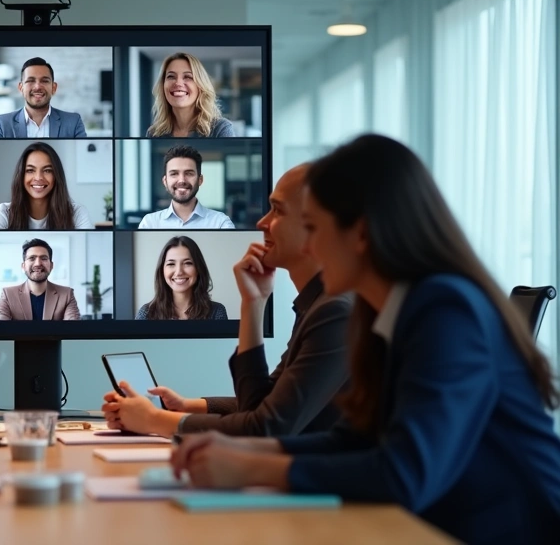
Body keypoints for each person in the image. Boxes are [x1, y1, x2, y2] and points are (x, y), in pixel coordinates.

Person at [170, 134, 560, 545]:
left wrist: (253, 468)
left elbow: (403, 473)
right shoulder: (383, 311)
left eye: (315, 228)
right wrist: (248, 452)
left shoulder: (445, 308)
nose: (310, 247)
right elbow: (356, 438)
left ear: (360, 233)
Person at [103, 163, 351, 437]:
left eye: (278, 210)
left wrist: (154, 420)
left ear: (318, 226)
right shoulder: (316, 306)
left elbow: (264, 427)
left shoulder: (335, 313)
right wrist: (253, 303)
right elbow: (265, 403)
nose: (262, 223)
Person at [0, 141, 93, 230]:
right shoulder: (4, 212)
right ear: (21, 176)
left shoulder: (77, 213)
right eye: (30, 170)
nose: (38, 177)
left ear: (56, 175)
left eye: (47, 170)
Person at [138, 144, 234, 229]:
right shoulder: (149, 223)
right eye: (174, 174)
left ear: (200, 180)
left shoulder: (220, 223)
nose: (182, 180)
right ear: (165, 181)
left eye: (189, 173)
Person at [0, 57, 87, 138]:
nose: (37, 87)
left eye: (44, 81)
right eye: (30, 80)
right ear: (21, 88)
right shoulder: (2, 124)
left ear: (54, 88)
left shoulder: (73, 122)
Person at [135, 236, 227, 320]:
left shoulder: (216, 312)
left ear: (198, 268)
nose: (179, 272)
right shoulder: (146, 313)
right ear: (162, 270)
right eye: (171, 264)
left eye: (187, 263)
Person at [0, 238, 81, 320]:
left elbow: (72, 329)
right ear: (23, 266)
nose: (38, 264)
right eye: (32, 258)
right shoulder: (8, 294)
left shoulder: (66, 294)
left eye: (44, 258)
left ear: (51, 265)